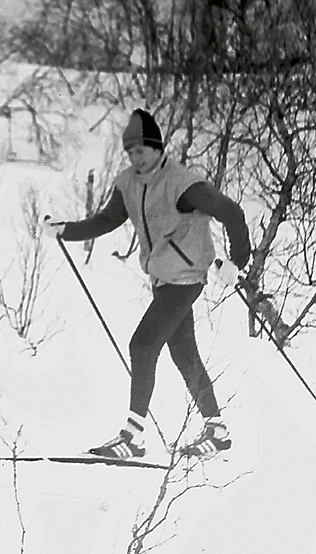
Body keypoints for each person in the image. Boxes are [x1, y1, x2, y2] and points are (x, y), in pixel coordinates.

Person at [44, 108, 251, 459]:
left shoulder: (183, 183)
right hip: (161, 278)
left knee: (142, 345)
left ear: (157, 148)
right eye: (129, 151)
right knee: (183, 353)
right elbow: (109, 219)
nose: (134, 157)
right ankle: (217, 430)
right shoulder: (128, 181)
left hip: (186, 278)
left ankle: (132, 436)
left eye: (140, 150)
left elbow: (232, 212)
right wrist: (69, 229)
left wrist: (237, 262)